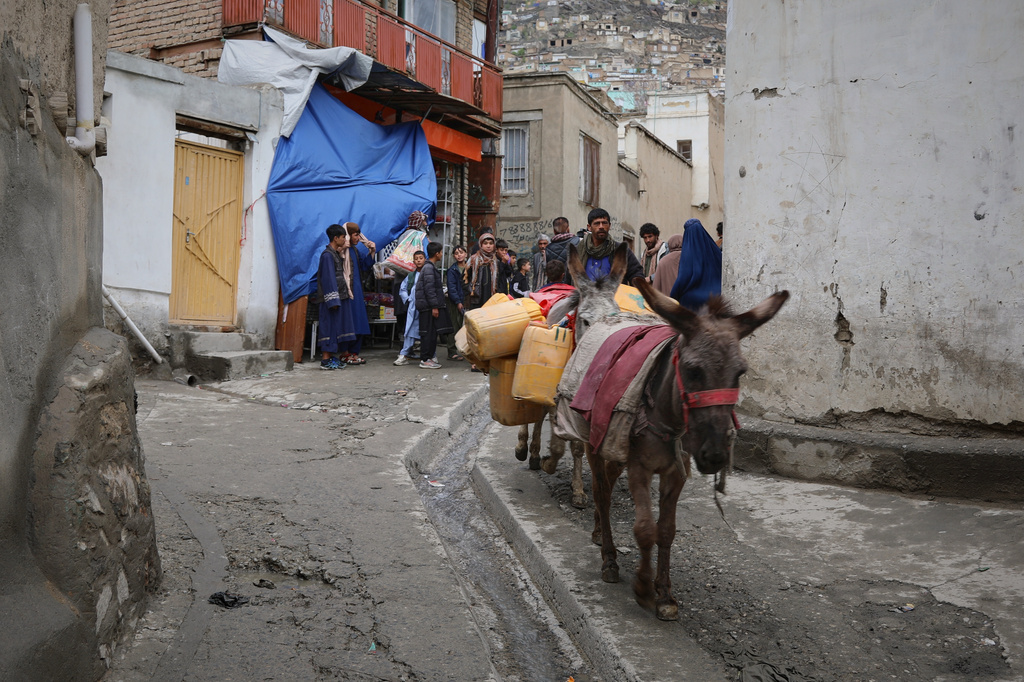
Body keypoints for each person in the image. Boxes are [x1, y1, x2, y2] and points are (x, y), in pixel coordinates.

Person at [315, 224, 355, 370]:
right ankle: (325, 360)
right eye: (343, 237)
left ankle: (331, 357)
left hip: (338, 297)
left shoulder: (335, 254)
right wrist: (333, 300)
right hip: (330, 300)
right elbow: (328, 279)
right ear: (336, 238)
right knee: (329, 328)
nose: (345, 240)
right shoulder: (327, 256)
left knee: (335, 328)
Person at [338, 222, 376, 365]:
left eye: (359, 235)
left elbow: (365, 266)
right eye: (355, 235)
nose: (358, 238)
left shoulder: (354, 251)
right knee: (348, 322)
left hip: (357, 291)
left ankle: (353, 353)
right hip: (346, 292)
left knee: (359, 322)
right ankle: (345, 353)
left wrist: (371, 251)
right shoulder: (339, 251)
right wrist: (342, 250)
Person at [577, 208, 644, 283]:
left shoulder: (620, 251)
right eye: (597, 223)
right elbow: (568, 279)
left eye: (604, 223)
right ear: (589, 227)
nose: (601, 226)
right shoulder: (578, 251)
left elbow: (636, 273)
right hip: (583, 294)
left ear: (609, 226)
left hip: (613, 294)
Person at [670, 218, 723, 311]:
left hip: (694, 302)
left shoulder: (688, 253)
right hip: (718, 297)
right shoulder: (713, 248)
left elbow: (684, 277)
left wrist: (673, 296)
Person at [415, 242, 452, 369]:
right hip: (428, 307)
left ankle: (429, 358)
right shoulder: (429, 268)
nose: (442, 254)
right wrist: (434, 306)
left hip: (427, 306)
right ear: (437, 254)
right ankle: (425, 359)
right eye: (441, 252)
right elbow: (429, 289)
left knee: (431, 333)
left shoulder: (428, 267)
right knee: (428, 333)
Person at [393, 252, 424, 366]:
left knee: (427, 332)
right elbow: (403, 289)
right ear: (413, 261)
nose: (419, 261)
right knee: (410, 330)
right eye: (416, 259)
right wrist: (408, 299)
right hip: (413, 308)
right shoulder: (411, 276)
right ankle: (404, 354)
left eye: (421, 258)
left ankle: (429, 356)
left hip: (425, 308)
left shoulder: (428, 273)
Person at [464, 232, 509, 309]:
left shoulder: (496, 261)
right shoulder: (473, 260)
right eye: (485, 243)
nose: (488, 246)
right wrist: (470, 289)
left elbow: (502, 280)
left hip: (492, 299)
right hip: (476, 299)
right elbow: (464, 278)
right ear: (481, 245)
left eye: (491, 243)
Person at [444, 244, 468, 361]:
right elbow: (452, 288)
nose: (459, 255)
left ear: (466, 254)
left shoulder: (470, 267)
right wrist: (458, 302)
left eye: (461, 252)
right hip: (455, 301)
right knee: (455, 325)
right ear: (454, 256)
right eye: (456, 253)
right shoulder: (452, 270)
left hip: (468, 300)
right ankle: (452, 351)